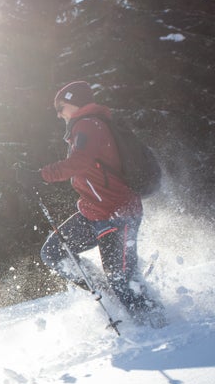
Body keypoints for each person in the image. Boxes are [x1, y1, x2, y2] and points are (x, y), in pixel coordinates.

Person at [18, 81, 163, 326]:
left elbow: (80, 162)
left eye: (61, 107)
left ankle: (157, 325)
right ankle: (108, 292)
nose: (58, 113)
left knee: (122, 279)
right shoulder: (84, 127)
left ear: (74, 103)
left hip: (118, 213)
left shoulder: (88, 125)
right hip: (94, 213)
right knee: (54, 252)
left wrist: (40, 175)